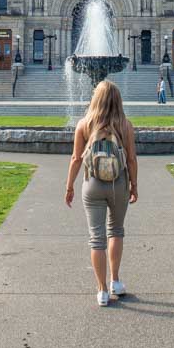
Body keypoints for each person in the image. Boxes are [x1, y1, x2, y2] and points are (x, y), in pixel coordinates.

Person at [65, 80, 138, 306]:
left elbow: (76, 159)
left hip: (92, 183)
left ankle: (102, 290)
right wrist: (134, 185)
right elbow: (131, 159)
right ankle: (115, 280)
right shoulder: (125, 125)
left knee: (96, 239)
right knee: (116, 230)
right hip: (118, 182)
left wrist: (69, 186)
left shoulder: (84, 124)